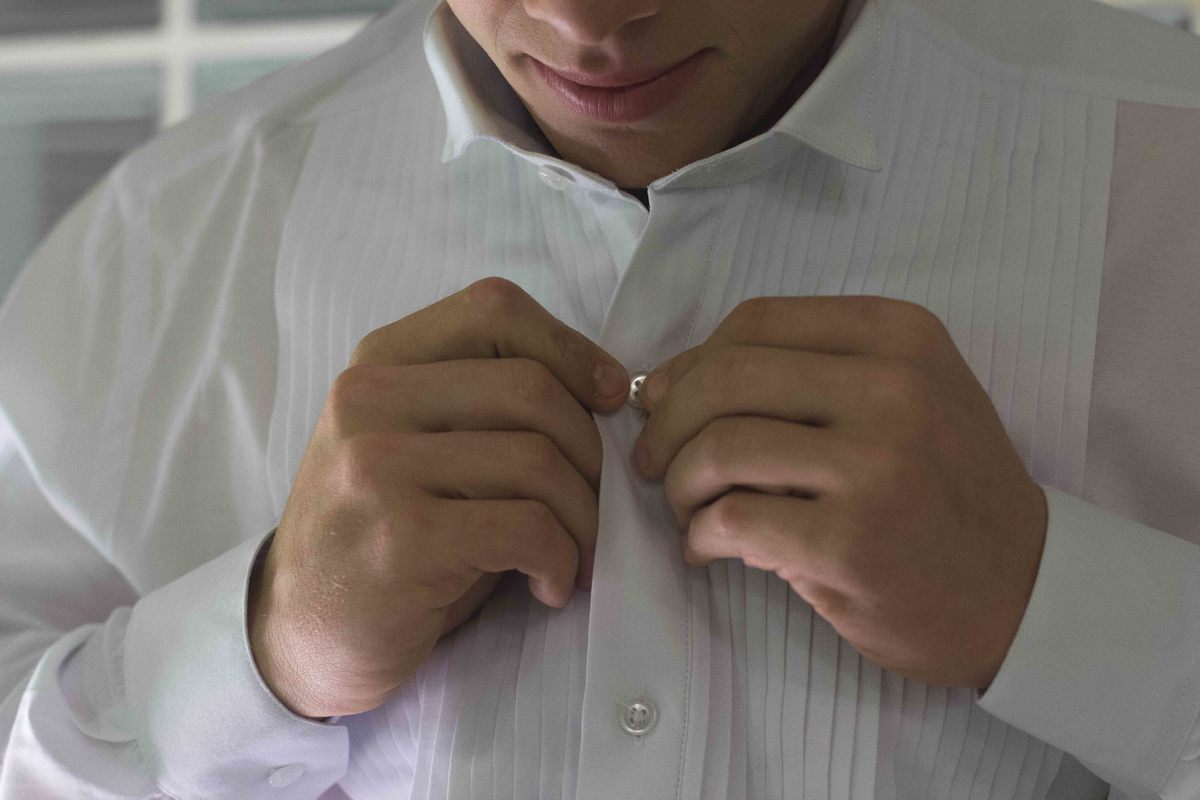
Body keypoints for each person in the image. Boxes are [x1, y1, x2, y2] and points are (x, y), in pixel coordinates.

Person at [1, 0, 1199, 796]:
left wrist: (1052, 605)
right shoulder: (149, 257)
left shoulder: (1171, 173)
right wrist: (260, 649)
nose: (585, 22)